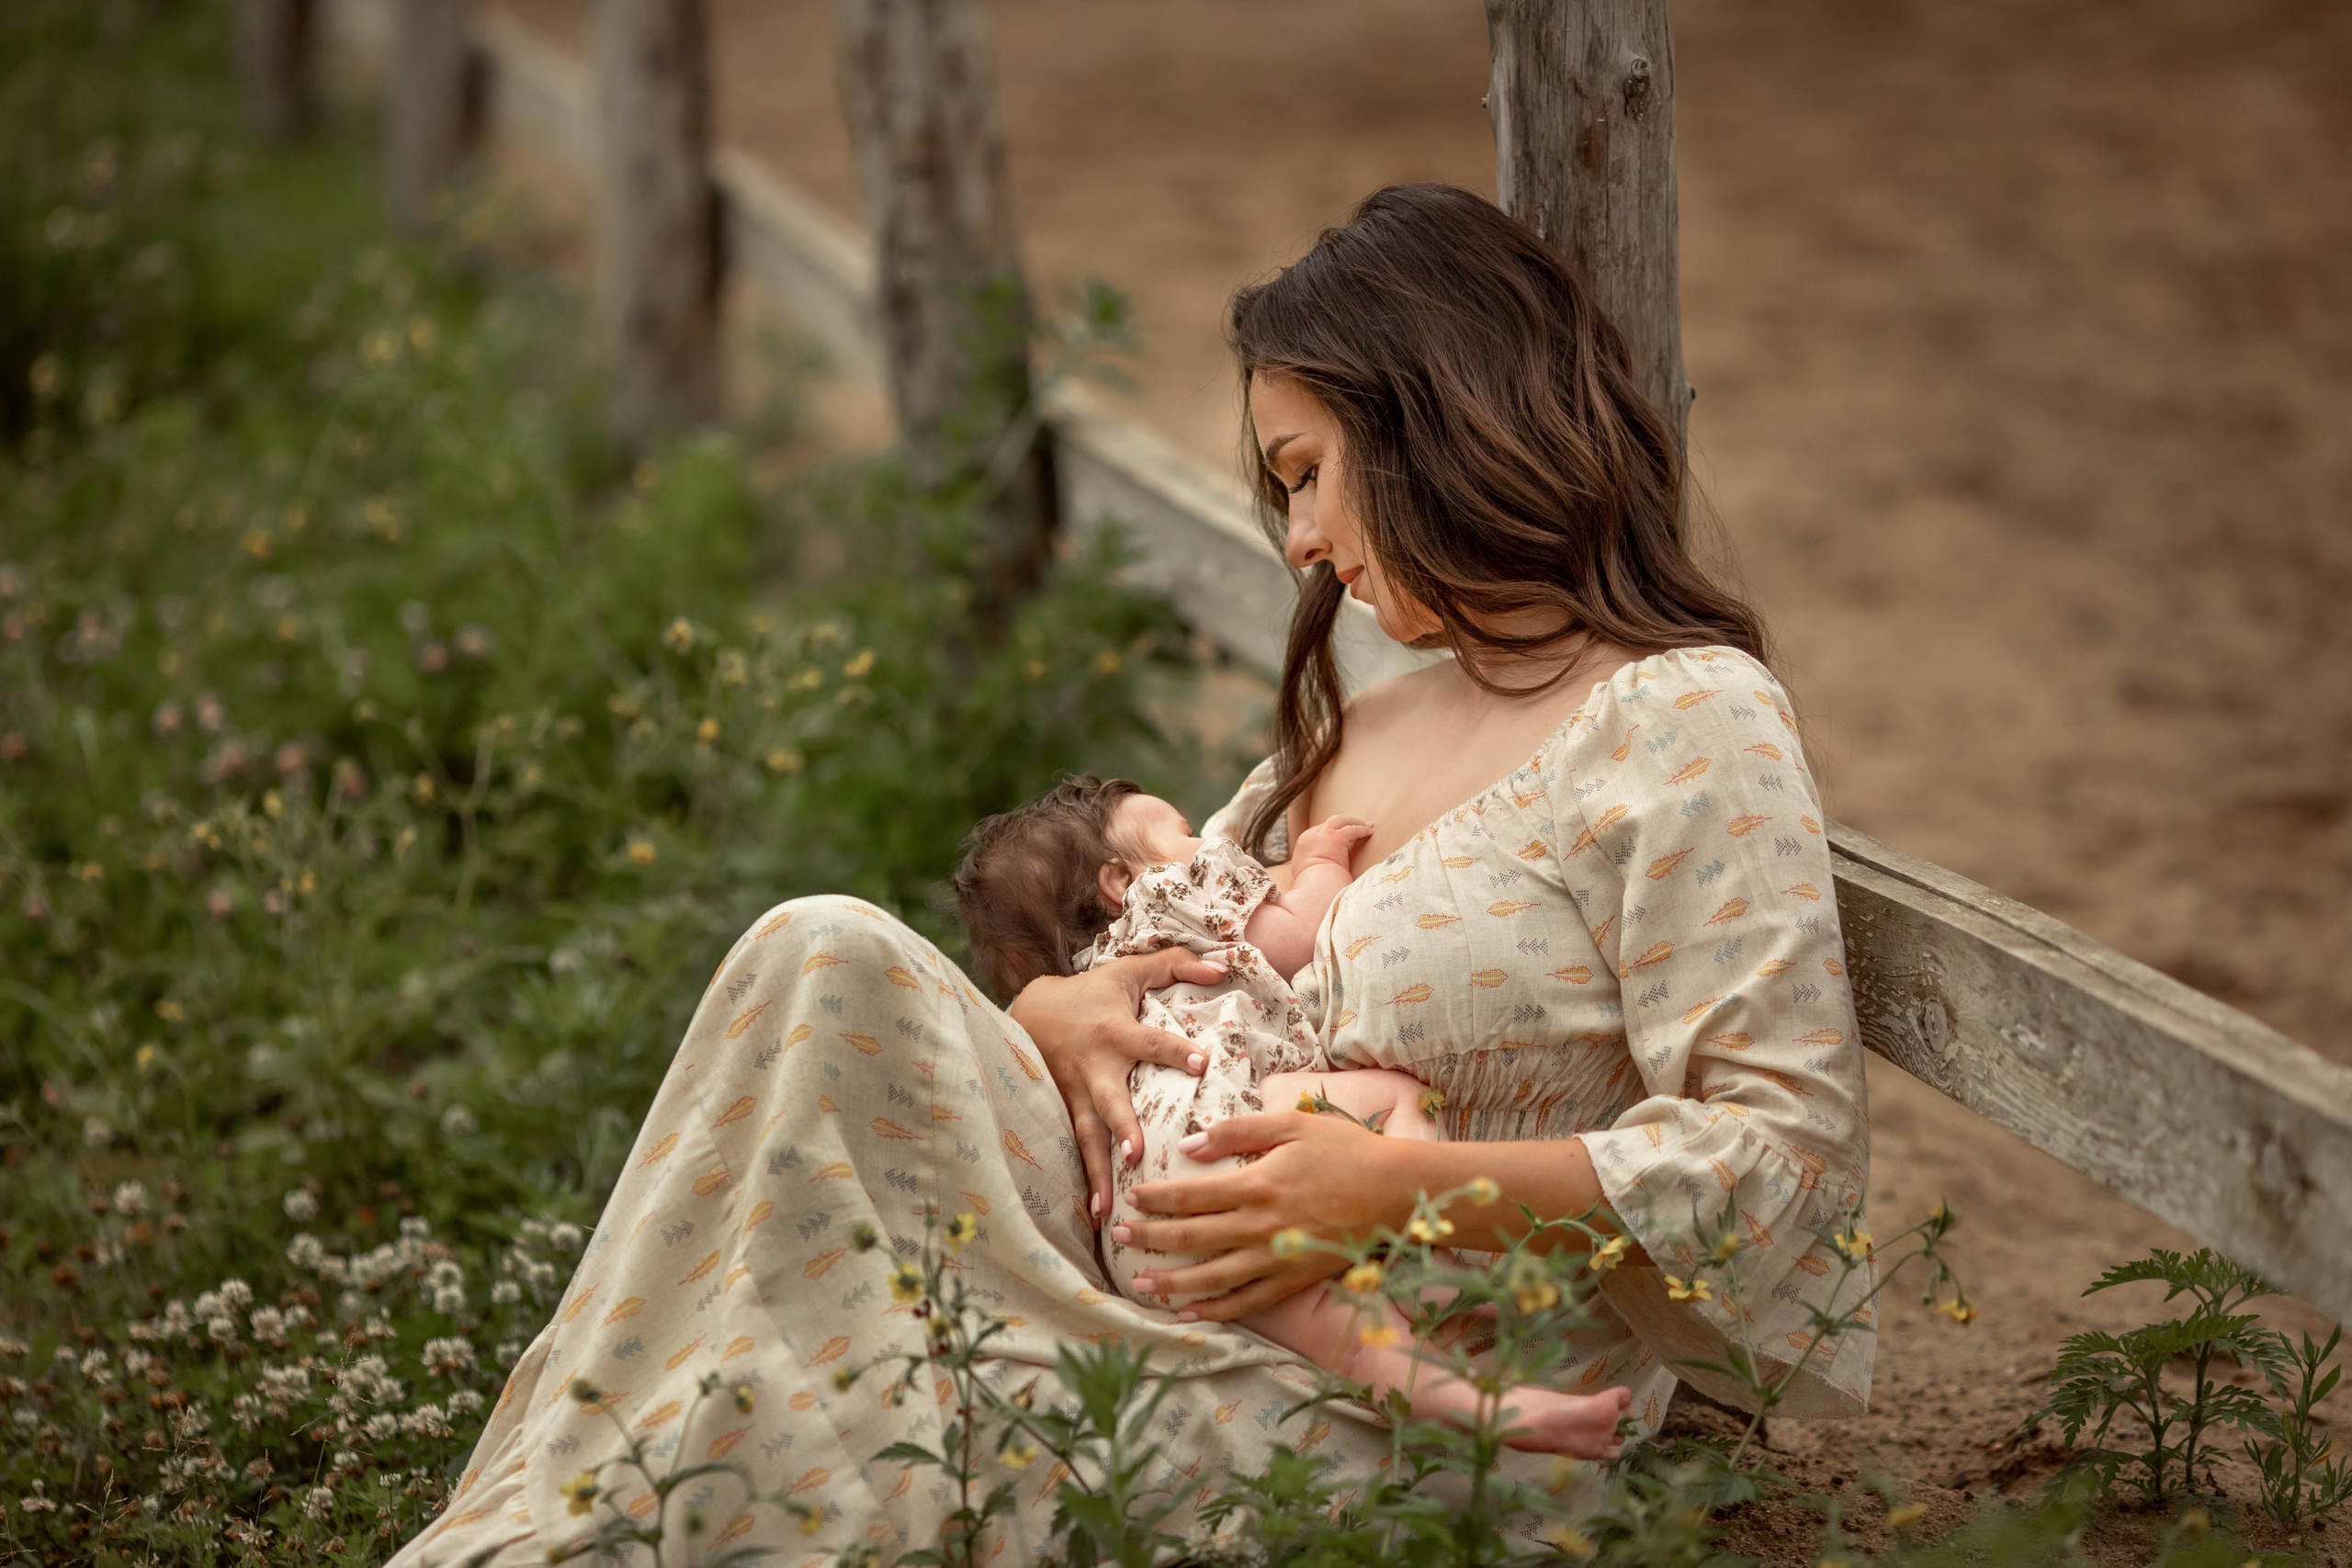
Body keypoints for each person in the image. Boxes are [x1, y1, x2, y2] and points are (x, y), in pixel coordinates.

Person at [392, 184, 1873, 1567]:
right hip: (1145, 1275)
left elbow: (1782, 1152)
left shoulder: (1678, 717)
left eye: (1308, 476)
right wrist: (1058, 1010)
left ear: (1436, 420)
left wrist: (1400, 1185)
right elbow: (1187, 961)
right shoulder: (1365, 716)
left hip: (1410, 1391)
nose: (1300, 540)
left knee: (833, 1401)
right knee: (819, 948)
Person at [951, 776, 1635, 1458]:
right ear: (1118, 880)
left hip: (1144, 1232)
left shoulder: (1080, 983)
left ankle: (1478, 1405)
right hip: (1220, 1127)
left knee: (1337, 1327)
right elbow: (1297, 934)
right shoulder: (1166, 897)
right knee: (1396, 1091)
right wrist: (1318, 862)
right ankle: (1423, 1258)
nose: (1206, 843)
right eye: (1187, 833)